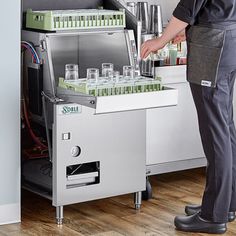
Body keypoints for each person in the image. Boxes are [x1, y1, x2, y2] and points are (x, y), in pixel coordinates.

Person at [141, 0, 236, 234]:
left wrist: (160, 41)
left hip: (211, 45)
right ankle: (226, 205)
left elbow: (188, 8)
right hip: (229, 38)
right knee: (225, 126)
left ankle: (213, 216)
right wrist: (190, 29)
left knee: (215, 134)